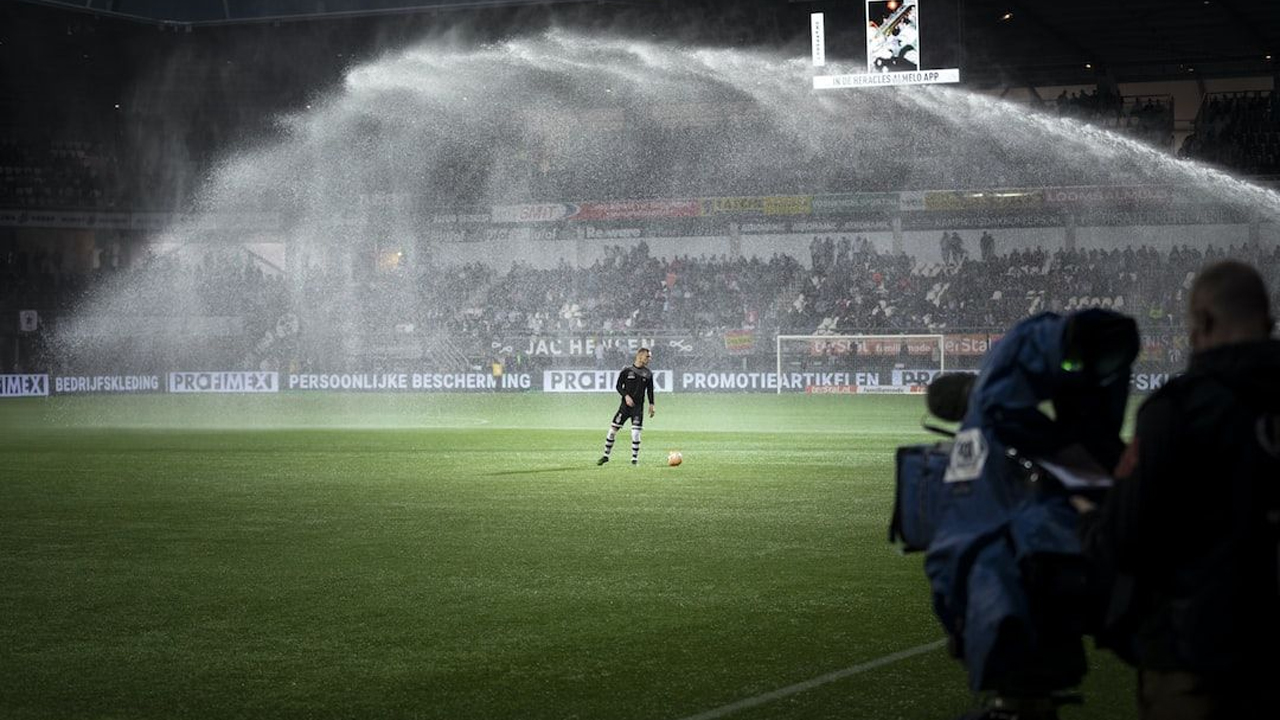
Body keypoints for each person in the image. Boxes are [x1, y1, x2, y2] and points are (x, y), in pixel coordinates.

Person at [1073, 260, 1280, 720]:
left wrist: (1086, 516)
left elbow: (1124, 540)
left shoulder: (1178, 409)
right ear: (1268, 323)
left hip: (1197, 657)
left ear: (1202, 322)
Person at [597, 348, 656, 466]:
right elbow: (618, 386)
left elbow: (650, 390)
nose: (649, 359)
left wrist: (651, 404)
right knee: (612, 430)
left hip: (638, 408)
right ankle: (605, 456)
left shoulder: (648, 373)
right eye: (647, 357)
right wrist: (626, 396)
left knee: (635, 433)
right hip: (624, 407)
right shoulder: (626, 371)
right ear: (640, 356)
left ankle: (634, 459)